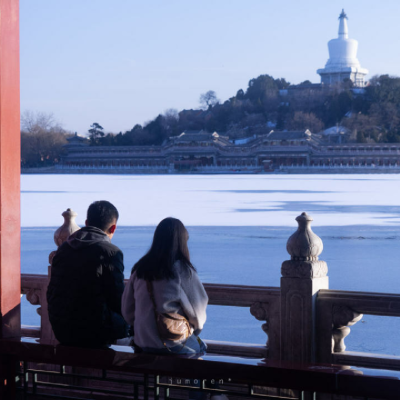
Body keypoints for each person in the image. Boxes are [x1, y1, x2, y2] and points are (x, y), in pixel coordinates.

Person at [47, 200, 128, 347]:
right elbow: (117, 299)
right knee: (133, 324)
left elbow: (51, 291)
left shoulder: (64, 248)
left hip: (60, 328)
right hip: (92, 331)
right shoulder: (110, 252)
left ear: (86, 222)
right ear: (113, 228)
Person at [122, 217, 208, 354]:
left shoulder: (140, 269)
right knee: (201, 348)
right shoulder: (182, 270)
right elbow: (198, 314)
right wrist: (194, 330)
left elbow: (127, 312)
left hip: (142, 343)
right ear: (182, 241)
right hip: (171, 344)